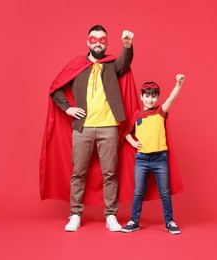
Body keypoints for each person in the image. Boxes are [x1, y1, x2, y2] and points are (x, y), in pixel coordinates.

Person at [40, 25, 135, 232]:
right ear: (87, 42)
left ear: (107, 43)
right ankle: (75, 214)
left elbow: (124, 62)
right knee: (78, 172)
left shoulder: (112, 65)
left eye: (102, 40)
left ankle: (111, 215)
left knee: (110, 173)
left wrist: (127, 46)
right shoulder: (77, 65)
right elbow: (55, 89)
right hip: (82, 128)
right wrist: (67, 109)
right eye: (94, 39)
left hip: (108, 127)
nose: (98, 43)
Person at [121, 74, 185, 234]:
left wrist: (179, 84)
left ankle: (169, 222)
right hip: (142, 159)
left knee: (164, 192)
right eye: (147, 96)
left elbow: (171, 99)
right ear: (142, 97)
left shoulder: (160, 112)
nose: (150, 99)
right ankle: (134, 221)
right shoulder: (137, 115)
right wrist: (133, 142)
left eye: (153, 96)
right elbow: (126, 133)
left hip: (159, 159)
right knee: (138, 191)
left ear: (157, 98)